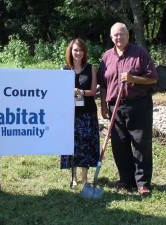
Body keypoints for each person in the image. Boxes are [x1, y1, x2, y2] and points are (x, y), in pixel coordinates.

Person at [98, 22, 158, 196]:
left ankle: (142, 183)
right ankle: (126, 180)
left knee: (141, 144)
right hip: (114, 107)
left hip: (138, 104)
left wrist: (133, 78)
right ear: (111, 38)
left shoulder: (140, 53)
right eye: (115, 35)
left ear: (128, 35)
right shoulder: (107, 57)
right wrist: (103, 105)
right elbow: (103, 85)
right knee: (119, 145)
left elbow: (153, 78)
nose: (118, 37)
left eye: (121, 34)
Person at [60, 38, 100, 187]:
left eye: (81, 50)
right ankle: (73, 178)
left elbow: (93, 91)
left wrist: (80, 91)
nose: (78, 53)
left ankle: (85, 178)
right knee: (72, 146)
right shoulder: (64, 70)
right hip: (69, 114)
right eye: (75, 50)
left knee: (85, 146)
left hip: (87, 114)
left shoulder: (91, 68)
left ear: (85, 52)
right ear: (70, 51)